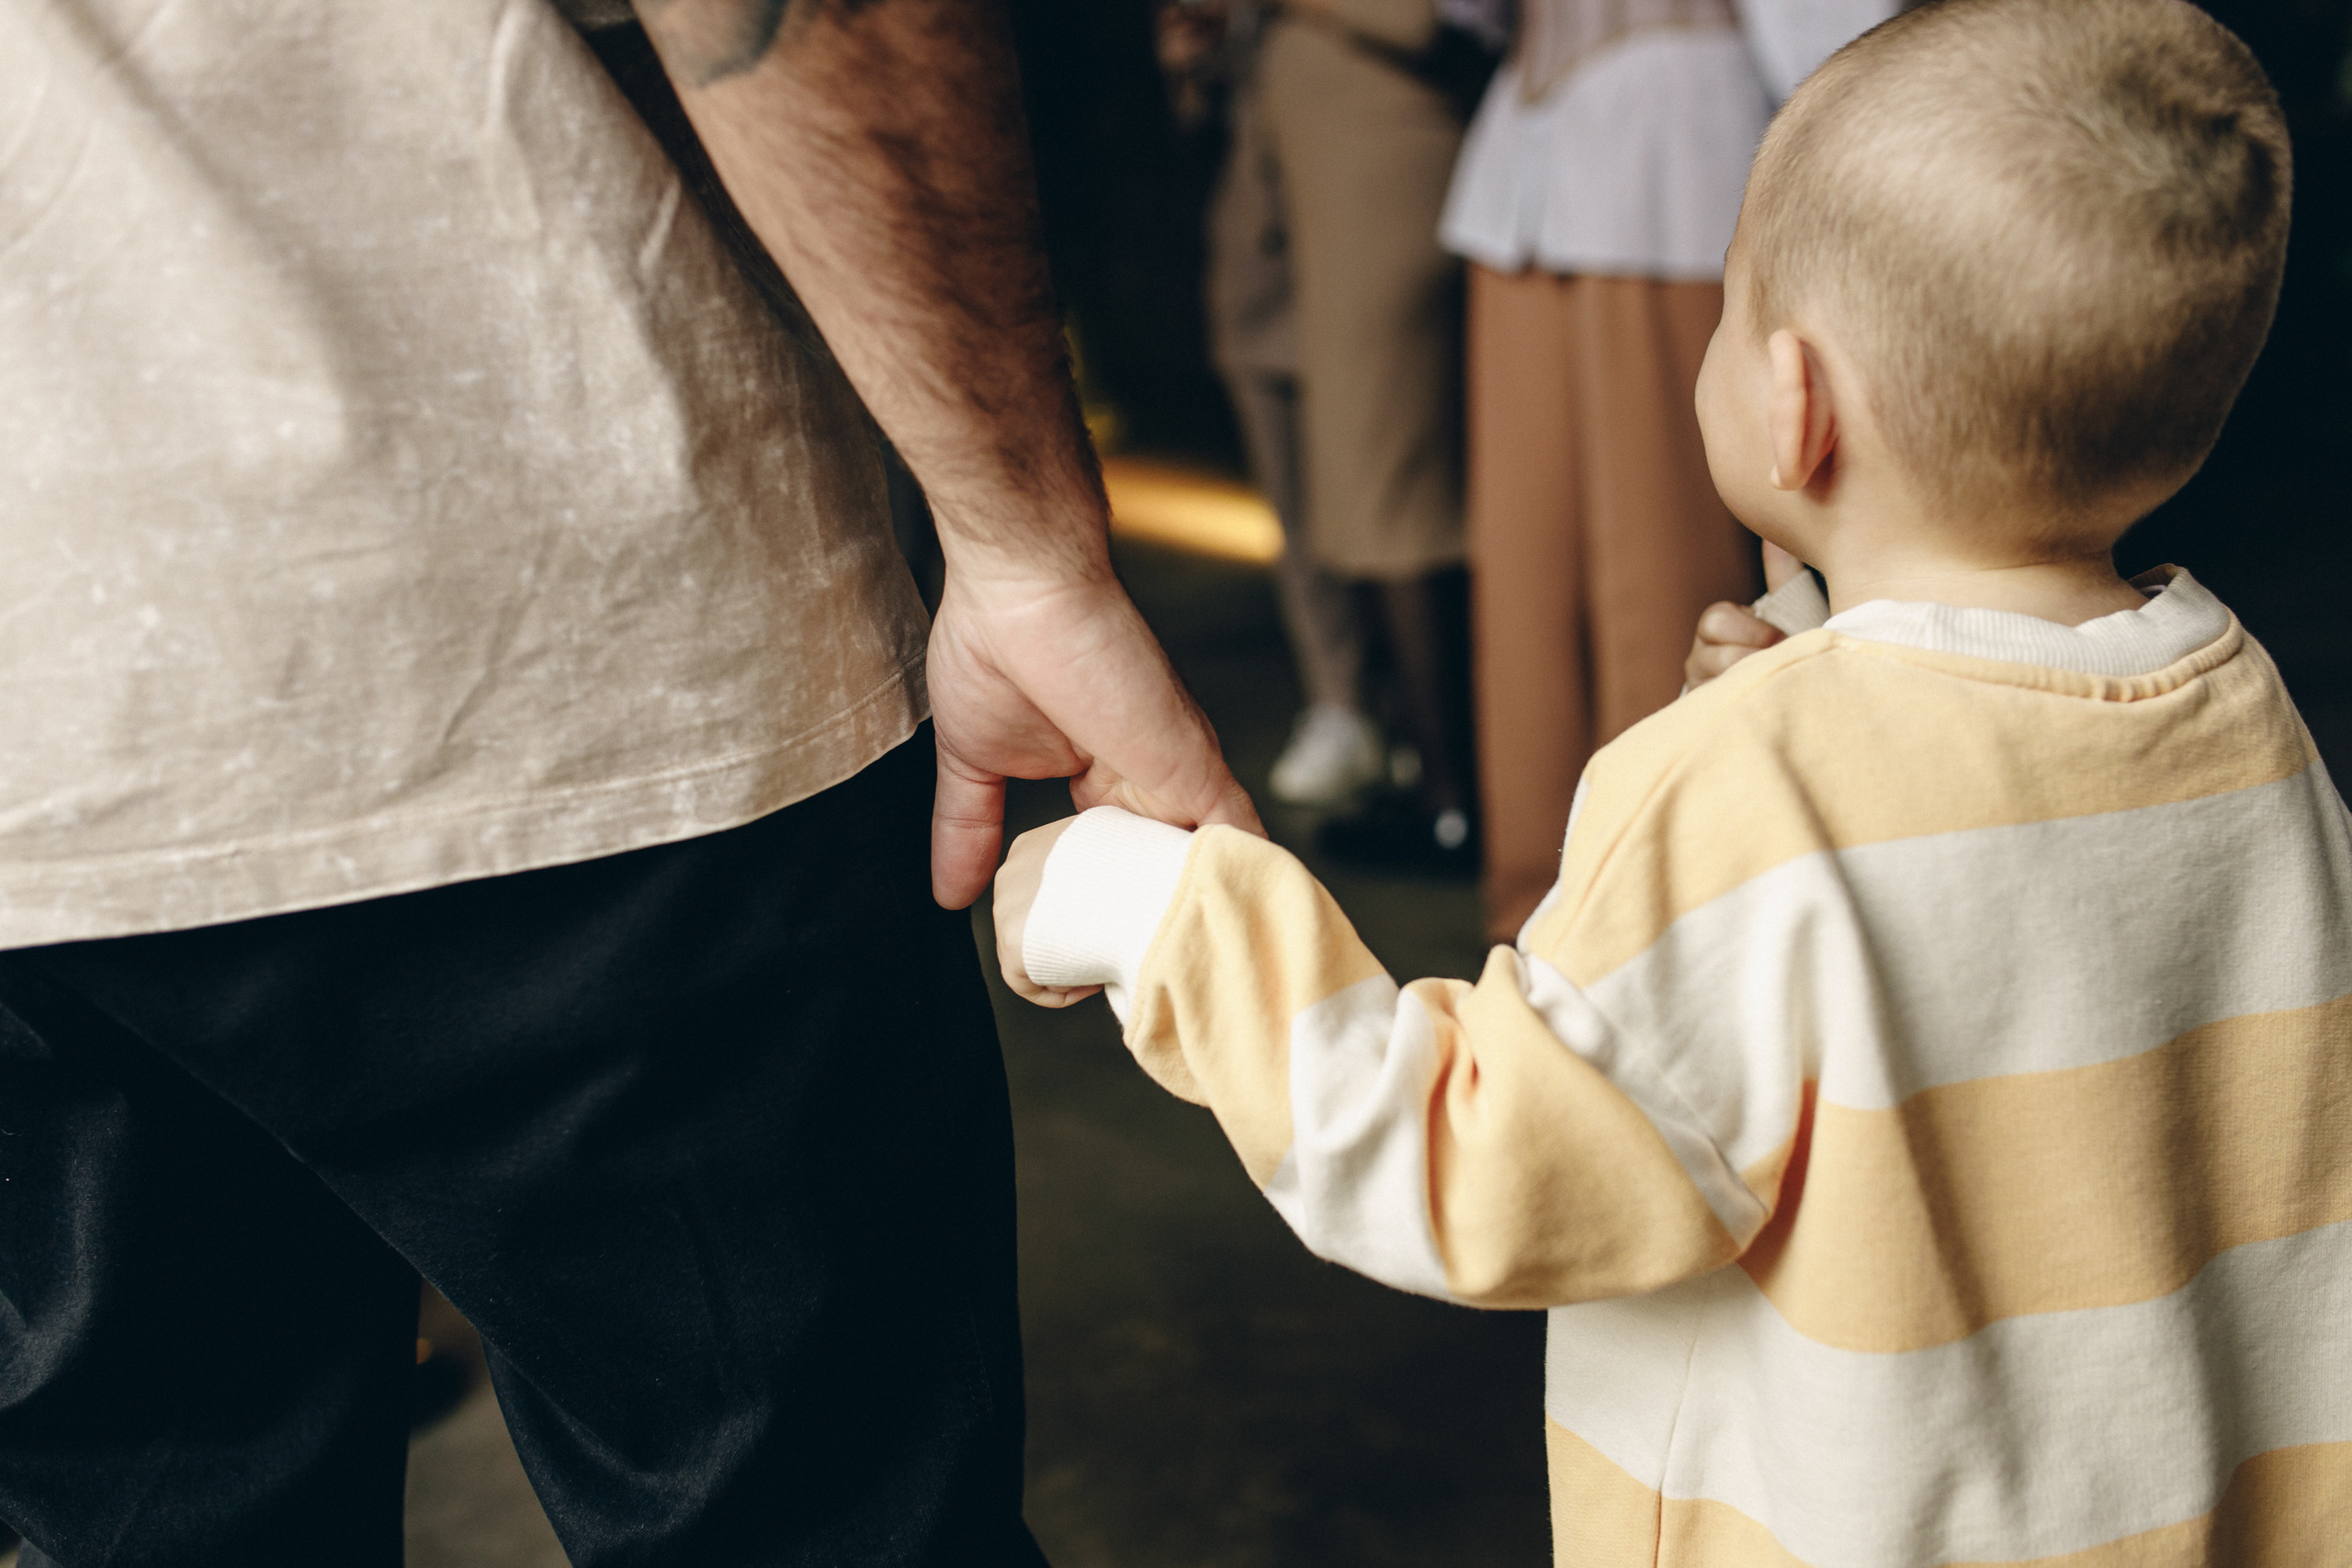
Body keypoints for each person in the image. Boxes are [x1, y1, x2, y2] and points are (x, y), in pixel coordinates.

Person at [993, 1, 2352, 1557]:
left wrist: (1155, 909)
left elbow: (1476, 1161)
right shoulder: (2245, 715)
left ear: (1795, 403)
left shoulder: (1755, 784)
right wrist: (1812, 669)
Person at [0, 0, 1254, 1563]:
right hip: (569, 675)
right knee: (811, 1523)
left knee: (150, 1518)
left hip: (37, 771)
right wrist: (1026, 543)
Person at [1442, 0, 1895, 936]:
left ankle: (1654, 917)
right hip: (1526, 165)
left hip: (1671, 153)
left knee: (1657, 569)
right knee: (1527, 577)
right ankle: (1540, 919)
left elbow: (1844, 43)